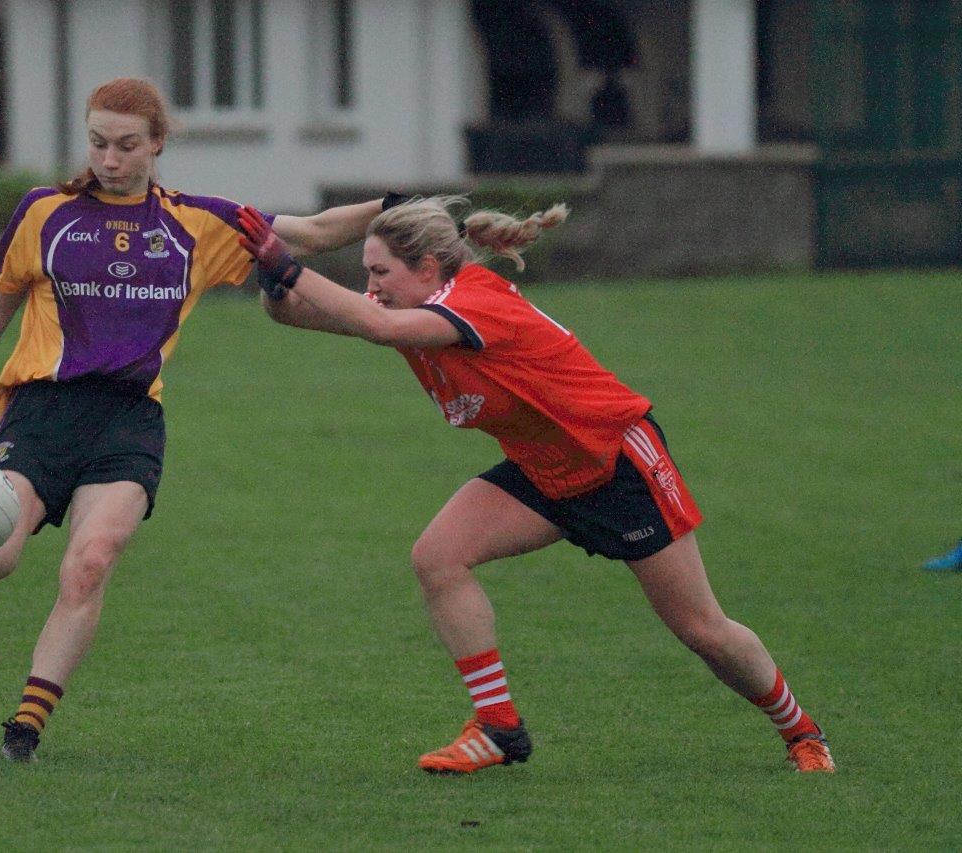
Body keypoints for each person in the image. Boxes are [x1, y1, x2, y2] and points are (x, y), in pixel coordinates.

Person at [0, 78, 387, 762]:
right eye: (97, 143)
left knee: (90, 563)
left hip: (129, 422)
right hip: (43, 414)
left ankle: (25, 727)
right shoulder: (44, 212)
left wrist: (409, 205)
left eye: (126, 145)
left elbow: (315, 231)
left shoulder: (200, 223)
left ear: (157, 144)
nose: (109, 159)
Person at [236, 198, 837, 774]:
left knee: (702, 630)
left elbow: (372, 323)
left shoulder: (472, 301)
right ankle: (498, 727)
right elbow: (293, 312)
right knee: (439, 559)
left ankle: (801, 731)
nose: (371, 287)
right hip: (542, 471)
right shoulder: (410, 313)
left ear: (426, 268)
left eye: (379, 272)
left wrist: (286, 258)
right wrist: (272, 276)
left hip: (615, 461)